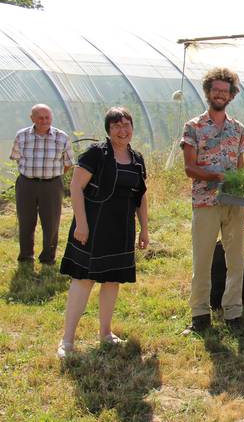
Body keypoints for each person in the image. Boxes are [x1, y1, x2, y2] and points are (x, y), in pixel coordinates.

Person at [57, 107, 148, 358]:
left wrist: (144, 229)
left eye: (126, 125)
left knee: (112, 280)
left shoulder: (137, 158)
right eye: (117, 126)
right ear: (108, 130)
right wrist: (81, 224)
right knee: (83, 279)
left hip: (122, 228)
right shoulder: (95, 153)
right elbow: (76, 187)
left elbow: (141, 196)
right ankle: (67, 341)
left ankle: (106, 333)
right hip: (93, 226)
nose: (123, 130)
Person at [181, 67, 244, 334]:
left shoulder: (238, 129)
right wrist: (215, 174)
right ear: (208, 92)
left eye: (225, 91)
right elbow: (189, 168)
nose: (220, 94)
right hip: (205, 202)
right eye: (216, 90)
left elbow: (242, 168)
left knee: (236, 260)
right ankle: (200, 315)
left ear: (231, 95)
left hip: (234, 203)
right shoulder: (194, 127)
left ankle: (233, 313)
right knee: (203, 259)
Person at [10, 104, 75, 265]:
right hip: (26, 184)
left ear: (51, 118)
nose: (44, 120)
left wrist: (51, 176)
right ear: (32, 118)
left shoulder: (61, 137)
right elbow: (16, 157)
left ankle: (48, 257)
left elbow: (68, 163)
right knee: (25, 220)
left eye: (47, 117)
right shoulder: (22, 136)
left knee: (51, 222)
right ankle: (26, 256)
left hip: (51, 185)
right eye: (40, 117)